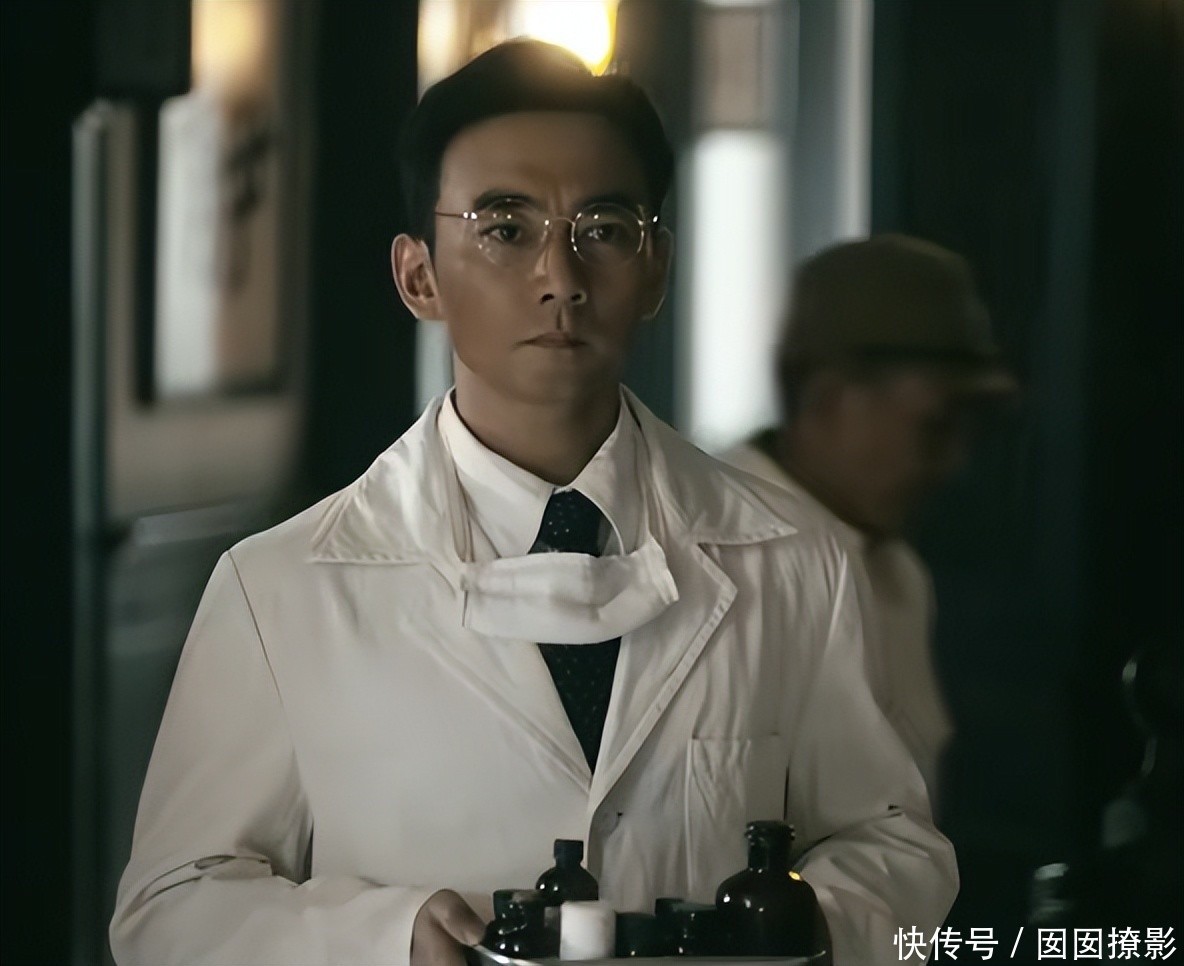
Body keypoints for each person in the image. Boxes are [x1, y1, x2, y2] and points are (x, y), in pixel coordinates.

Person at [110, 42, 957, 966]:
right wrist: (388, 938)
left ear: (657, 267)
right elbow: (172, 908)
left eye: (604, 228)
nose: (562, 276)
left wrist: (796, 926)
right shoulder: (279, 588)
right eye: (506, 228)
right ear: (419, 276)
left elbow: (893, 844)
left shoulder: (790, 558)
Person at [721, 234, 1019, 814]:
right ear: (829, 400)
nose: (955, 462)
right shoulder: (710, 558)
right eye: (933, 426)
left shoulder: (897, 571)